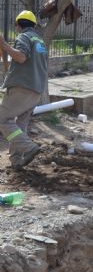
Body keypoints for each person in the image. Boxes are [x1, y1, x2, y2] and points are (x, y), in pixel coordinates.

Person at [0, 10, 49, 170]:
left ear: (18, 25)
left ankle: (29, 147)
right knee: (20, 125)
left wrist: (4, 44)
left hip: (22, 88)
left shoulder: (23, 37)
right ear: (33, 25)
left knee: (2, 119)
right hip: (36, 90)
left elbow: (21, 57)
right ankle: (16, 161)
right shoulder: (39, 40)